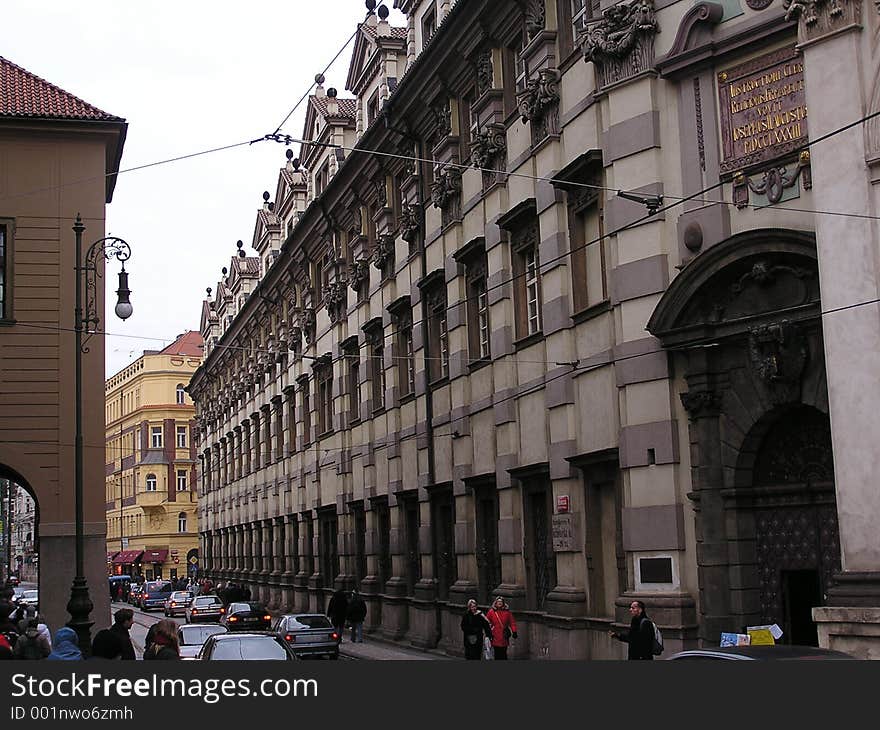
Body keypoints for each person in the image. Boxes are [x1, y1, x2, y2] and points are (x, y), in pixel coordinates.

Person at [485, 596, 517, 660]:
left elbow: (512, 622)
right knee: (497, 653)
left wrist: (514, 631)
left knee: (503, 652)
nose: (499, 603)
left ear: (503, 603)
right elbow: (486, 622)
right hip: (495, 635)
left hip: (504, 635)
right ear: (495, 603)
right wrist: (488, 631)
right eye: (498, 601)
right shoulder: (491, 612)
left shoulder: (507, 612)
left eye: (501, 602)